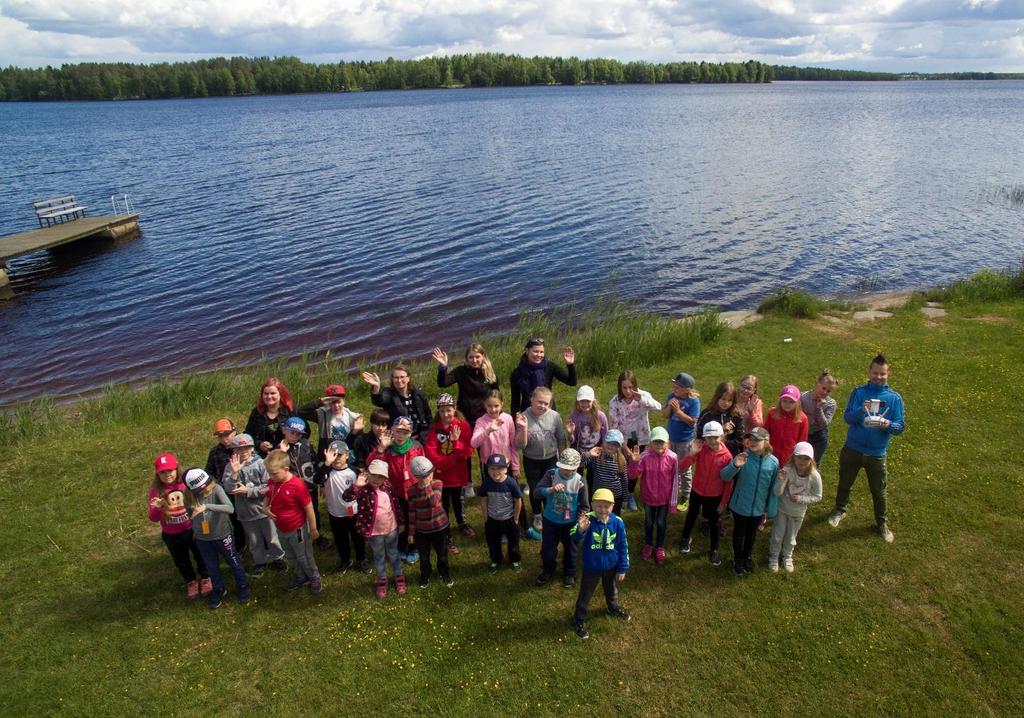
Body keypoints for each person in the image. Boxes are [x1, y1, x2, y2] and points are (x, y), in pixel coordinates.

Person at [827, 354, 906, 543]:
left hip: (877, 454)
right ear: (869, 372)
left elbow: (900, 427)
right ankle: (839, 510)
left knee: (879, 491)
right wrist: (861, 410)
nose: (878, 377)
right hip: (853, 448)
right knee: (845, 482)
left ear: (888, 373)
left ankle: (881, 523)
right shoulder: (859, 393)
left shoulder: (894, 399)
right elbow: (847, 418)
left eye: (882, 374)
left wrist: (887, 424)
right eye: (875, 373)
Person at [222, 433, 286, 577]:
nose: (243, 451)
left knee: (271, 536)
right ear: (234, 451)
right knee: (254, 539)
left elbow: (269, 487)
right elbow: (228, 488)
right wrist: (234, 474)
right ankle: (260, 561)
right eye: (239, 449)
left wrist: (248, 491)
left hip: (264, 509)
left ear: (252, 449)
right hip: (245, 512)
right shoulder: (230, 466)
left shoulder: (262, 463)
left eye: (247, 447)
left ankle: (278, 557)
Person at [184, 468, 250, 608]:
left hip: (223, 535)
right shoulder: (188, 497)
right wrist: (196, 529)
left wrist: (207, 506)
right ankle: (219, 589)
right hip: (203, 539)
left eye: (206, 484)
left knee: (233, 561)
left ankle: (243, 584)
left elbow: (230, 508)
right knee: (211, 566)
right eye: (200, 488)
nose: (205, 488)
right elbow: (191, 515)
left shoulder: (217, 489)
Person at [570, 488, 630, 640]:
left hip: (611, 566)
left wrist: (622, 567)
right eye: (599, 506)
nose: (603, 510)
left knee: (611, 590)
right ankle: (579, 619)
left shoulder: (617, 522)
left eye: (606, 506)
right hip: (591, 567)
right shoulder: (587, 520)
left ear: (613, 506)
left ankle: (613, 607)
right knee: (586, 594)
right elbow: (573, 536)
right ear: (592, 505)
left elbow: (623, 545)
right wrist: (581, 530)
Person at [147, 452, 209, 599]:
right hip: (171, 534)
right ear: (158, 474)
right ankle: (191, 581)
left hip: (191, 529)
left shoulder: (185, 485)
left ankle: (206, 577)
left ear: (176, 469)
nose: (167, 474)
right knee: (181, 560)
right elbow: (153, 518)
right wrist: (158, 508)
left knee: (200, 554)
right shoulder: (156, 491)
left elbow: (199, 504)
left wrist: (200, 525)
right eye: (163, 472)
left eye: (170, 470)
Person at [720, 427, 779, 576]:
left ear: (766, 442)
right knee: (739, 533)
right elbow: (725, 476)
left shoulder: (773, 462)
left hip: (758, 507)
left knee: (751, 534)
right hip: (740, 505)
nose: (752, 442)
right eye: (750, 439)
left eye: (757, 440)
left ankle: (747, 557)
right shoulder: (743, 457)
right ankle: (737, 559)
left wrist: (769, 509)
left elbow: (773, 487)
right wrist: (735, 465)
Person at [343, 459, 406, 598]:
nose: (377, 479)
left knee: (394, 554)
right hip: (374, 532)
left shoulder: (388, 486)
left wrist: (401, 522)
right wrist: (356, 486)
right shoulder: (363, 489)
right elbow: (347, 497)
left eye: (381, 476)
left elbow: (396, 504)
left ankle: (399, 577)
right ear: (367, 473)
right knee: (379, 556)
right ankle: (382, 580)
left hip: (391, 529)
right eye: (374, 475)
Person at [367, 416, 425, 563]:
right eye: (397, 431)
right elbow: (371, 463)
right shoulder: (387, 448)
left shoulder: (417, 447)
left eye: (405, 432)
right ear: (392, 431)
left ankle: (415, 547)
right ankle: (399, 546)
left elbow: (424, 467)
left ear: (410, 433)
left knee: (415, 520)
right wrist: (381, 447)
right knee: (400, 521)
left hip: (414, 491)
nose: (400, 435)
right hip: (395, 493)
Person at [263, 449, 322, 594]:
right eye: (270, 474)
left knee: (304, 555)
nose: (272, 477)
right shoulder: (273, 482)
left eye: (275, 474)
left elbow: (309, 508)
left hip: (297, 529)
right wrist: (264, 508)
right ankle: (301, 576)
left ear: (286, 469)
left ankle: (314, 576)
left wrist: (313, 529)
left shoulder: (297, 486)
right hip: (281, 528)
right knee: (290, 554)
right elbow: (268, 495)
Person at [514, 387, 567, 540]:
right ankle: (537, 514)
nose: (543, 406)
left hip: (551, 459)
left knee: (551, 487)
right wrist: (523, 429)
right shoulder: (523, 417)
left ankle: (550, 511)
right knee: (535, 488)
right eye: (539, 402)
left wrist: (562, 459)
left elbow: (561, 438)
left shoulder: (555, 416)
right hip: (531, 459)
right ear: (531, 399)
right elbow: (520, 445)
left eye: (546, 403)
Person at [424, 393, 474, 552]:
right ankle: (445, 531)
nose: (446, 414)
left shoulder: (463, 426)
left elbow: (467, 453)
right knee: (443, 504)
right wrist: (452, 459)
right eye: (442, 411)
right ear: (438, 412)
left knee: (459, 501)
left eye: (449, 410)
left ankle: (462, 523)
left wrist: (455, 442)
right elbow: (432, 456)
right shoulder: (434, 431)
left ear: (455, 409)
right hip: (441, 477)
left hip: (458, 475)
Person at [678, 421, 733, 566]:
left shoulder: (727, 457)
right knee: (691, 515)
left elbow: (728, 482)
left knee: (714, 522)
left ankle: (714, 549)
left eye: (715, 437)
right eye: (708, 438)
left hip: (715, 496)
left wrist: (723, 503)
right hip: (697, 491)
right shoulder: (701, 449)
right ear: (704, 438)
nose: (712, 441)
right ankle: (685, 538)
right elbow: (682, 467)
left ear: (721, 436)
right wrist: (691, 453)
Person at [607, 370, 662, 511]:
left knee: (635, 466)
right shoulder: (615, 402)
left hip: (640, 437)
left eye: (630, 387)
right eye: (624, 387)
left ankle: (630, 494)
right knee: (622, 466)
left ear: (635, 386)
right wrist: (624, 447)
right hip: (622, 439)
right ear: (619, 387)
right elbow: (614, 425)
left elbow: (658, 407)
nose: (627, 391)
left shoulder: (642, 396)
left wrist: (641, 399)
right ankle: (620, 494)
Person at [535, 448, 590, 588]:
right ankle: (548, 570)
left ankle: (569, 573)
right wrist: (550, 490)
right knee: (548, 549)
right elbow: (537, 493)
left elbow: (585, 506)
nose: (568, 472)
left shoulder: (580, 482)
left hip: (570, 523)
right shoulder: (551, 475)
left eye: (572, 469)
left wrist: (580, 520)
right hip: (550, 521)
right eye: (565, 468)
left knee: (571, 550)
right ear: (559, 465)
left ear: (577, 467)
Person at [769, 441, 822, 572]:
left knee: (791, 536)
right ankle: (774, 557)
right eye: (799, 457)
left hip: (798, 512)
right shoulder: (787, 470)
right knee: (778, 534)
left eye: (806, 458)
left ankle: (787, 556)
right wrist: (781, 480)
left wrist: (800, 499)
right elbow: (777, 492)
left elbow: (818, 496)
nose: (802, 462)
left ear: (811, 460)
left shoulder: (814, 476)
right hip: (782, 509)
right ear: (793, 457)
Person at [628, 426, 678, 564]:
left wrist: (673, 503)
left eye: (662, 442)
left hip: (664, 499)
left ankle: (660, 546)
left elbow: (675, 481)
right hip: (648, 498)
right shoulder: (644, 456)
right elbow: (633, 475)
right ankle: (648, 544)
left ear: (667, 443)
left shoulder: (673, 458)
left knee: (661, 522)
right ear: (650, 443)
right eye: (655, 442)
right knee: (649, 522)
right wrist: (634, 461)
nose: (659, 445)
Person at [319, 440, 369, 574]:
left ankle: (361, 559)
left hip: (353, 512)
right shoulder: (326, 470)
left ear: (347, 455)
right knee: (340, 539)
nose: (336, 458)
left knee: (358, 538)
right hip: (334, 513)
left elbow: (363, 490)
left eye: (339, 455)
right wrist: (327, 463)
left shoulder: (355, 471)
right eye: (333, 455)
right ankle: (345, 560)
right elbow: (316, 480)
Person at [279, 416, 327, 549]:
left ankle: (316, 534)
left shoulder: (306, 444)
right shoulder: (280, 449)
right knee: (297, 512)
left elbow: (316, 463)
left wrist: (322, 483)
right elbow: (277, 468)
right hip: (292, 490)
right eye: (292, 432)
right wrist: (282, 453)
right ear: (284, 430)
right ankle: (300, 537)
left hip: (310, 486)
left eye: (298, 433)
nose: (295, 436)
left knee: (313, 510)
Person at [407, 456, 453, 588]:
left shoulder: (437, 483)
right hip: (422, 531)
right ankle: (425, 574)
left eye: (431, 472)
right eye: (425, 475)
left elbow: (434, 502)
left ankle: (444, 573)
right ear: (416, 477)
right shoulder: (411, 491)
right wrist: (411, 533)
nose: (430, 476)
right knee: (424, 557)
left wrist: (427, 486)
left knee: (442, 555)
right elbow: (411, 512)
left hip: (440, 527)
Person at [432, 344, 500, 426]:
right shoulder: (461, 371)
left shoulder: (489, 373)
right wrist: (443, 367)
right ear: (467, 359)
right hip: (464, 417)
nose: (474, 360)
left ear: (483, 356)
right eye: (471, 357)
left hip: (484, 417)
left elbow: (496, 396)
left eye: (477, 357)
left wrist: (498, 412)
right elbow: (443, 383)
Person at [361, 364, 432, 443]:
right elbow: (379, 401)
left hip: (422, 434)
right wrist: (376, 388)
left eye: (402, 377)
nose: (399, 380)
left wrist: (431, 430)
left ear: (408, 378)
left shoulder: (418, 393)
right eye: (396, 378)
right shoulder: (389, 393)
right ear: (392, 379)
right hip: (400, 435)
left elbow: (427, 414)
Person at [205, 418, 247, 552]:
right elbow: (209, 472)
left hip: (245, 489)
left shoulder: (243, 446)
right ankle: (240, 544)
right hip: (227, 492)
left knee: (250, 517)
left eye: (227, 434)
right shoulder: (215, 452)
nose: (224, 439)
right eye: (220, 436)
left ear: (234, 431)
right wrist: (217, 486)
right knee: (234, 519)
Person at [295, 383, 364, 463]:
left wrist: (356, 431)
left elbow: (359, 443)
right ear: (327, 403)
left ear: (344, 401)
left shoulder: (354, 418)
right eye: (333, 403)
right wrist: (319, 402)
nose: (336, 406)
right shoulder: (322, 414)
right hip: (328, 457)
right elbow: (301, 412)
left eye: (338, 402)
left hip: (347, 456)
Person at [478, 454, 523, 574]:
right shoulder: (487, 483)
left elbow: (518, 500)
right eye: (492, 468)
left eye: (499, 468)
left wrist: (516, 518)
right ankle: (496, 559)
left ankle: (515, 559)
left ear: (506, 469)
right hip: (492, 519)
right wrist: (486, 517)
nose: (495, 471)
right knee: (493, 541)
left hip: (509, 519)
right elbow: (483, 499)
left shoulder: (511, 483)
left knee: (513, 541)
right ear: (487, 470)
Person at [509, 337, 577, 414]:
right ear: (527, 351)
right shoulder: (517, 373)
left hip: (548, 410)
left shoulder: (549, 366)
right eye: (536, 351)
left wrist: (570, 364)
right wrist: (515, 421)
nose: (539, 355)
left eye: (541, 352)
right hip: (528, 414)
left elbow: (572, 382)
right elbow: (515, 402)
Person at [663, 371, 700, 509]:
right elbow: (665, 416)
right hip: (671, 438)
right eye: (674, 386)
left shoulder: (694, 401)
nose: (674, 389)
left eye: (677, 387)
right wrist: (669, 407)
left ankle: (685, 495)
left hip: (685, 441)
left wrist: (678, 412)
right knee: (671, 465)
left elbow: (692, 422)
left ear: (687, 389)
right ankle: (673, 491)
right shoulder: (672, 396)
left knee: (684, 468)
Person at [470, 389, 521, 487]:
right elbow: (473, 443)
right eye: (489, 406)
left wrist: (515, 466)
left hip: (506, 463)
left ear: (502, 404)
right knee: (491, 492)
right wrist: (488, 431)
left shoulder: (508, 418)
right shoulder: (481, 421)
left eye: (496, 406)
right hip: (488, 465)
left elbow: (513, 444)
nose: (493, 409)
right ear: (484, 405)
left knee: (511, 490)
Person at [568, 385, 608, 491]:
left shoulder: (601, 416)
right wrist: (570, 433)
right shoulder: (574, 416)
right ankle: (580, 498)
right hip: (580, 452)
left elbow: (605, 436)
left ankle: (591, 500)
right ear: (578, 402)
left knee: (593, 478)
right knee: (578, 479)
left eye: (588, 401)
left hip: (595, 452)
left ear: (593, 401)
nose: (585, 404)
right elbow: (573, 441)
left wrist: (603, 450)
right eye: (582, 401)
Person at [244, 377, 294, 457]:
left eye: (273, 393)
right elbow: (248, 434)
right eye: (266, 394)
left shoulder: (290, 411)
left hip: (287, 452)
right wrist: (259, 444)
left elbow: (304, 433)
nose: (269, 396)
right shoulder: (256, 413)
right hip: (261, 455)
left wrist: (286, 441)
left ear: (280, 394)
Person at [800, 370, 841, 465]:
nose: (825, 392)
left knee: (814, 463)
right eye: (823, 388)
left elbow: (824, 424)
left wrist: (819, 408)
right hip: (803, 432)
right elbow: (797, 415)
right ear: (817, 384)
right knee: (800, 461)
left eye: (829, 391)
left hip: (819, 436)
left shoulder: (831, 403)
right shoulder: (804, 397)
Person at [586, 429, 630, 515]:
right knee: (596, 518)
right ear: (604, 441)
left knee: (613, 519)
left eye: (615, 444)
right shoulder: (596, 455)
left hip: (615, 497)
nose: (611, 446)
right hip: (598, 495)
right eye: (609, 442)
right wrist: (589, 454)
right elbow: (580, 464)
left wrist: (625, 498)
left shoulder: (621, 460)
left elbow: (624, 480)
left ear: (619, 447)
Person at [764, 385, 809, 468]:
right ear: (780, 400)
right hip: (770, 455)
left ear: (797, 403)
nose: (787, 404)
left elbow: (802, 441)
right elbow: (765, 433)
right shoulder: (772, 413)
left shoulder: (802, 419)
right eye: (784, 401)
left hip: (789, 459)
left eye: (791, 402)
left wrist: (796, 457)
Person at [696, 382, 745, 457]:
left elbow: (740, 440)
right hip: (709, 456)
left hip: (731, 457)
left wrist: (723, 442)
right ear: (717, 397)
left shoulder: (736, 415)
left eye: (729, 400)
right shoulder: (707, 414)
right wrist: (720, 429)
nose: (726, 403)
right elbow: (699, 435)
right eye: (723, 399)